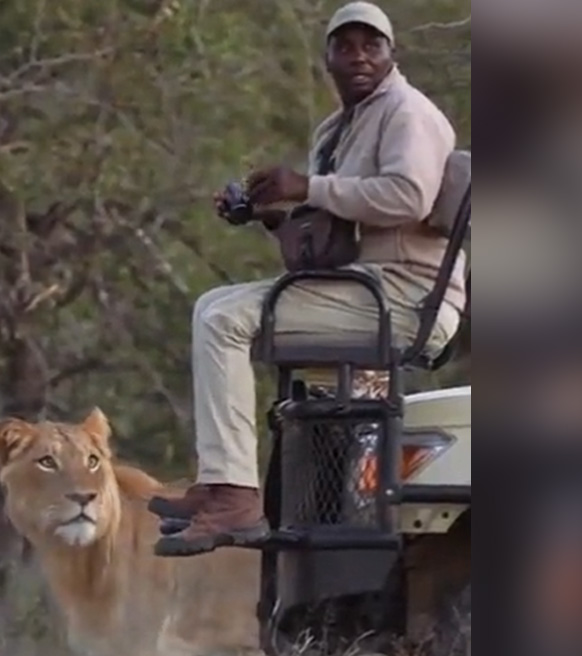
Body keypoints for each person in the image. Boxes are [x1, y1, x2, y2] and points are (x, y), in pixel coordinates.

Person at [151, 1, 466, 557]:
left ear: (392, 54)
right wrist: (266, 213)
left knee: (225, 318)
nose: (359, 56)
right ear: (327, 58)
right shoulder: (337, 128)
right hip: (359, 290)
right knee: (214, 308)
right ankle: (235, 489)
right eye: (345, 45)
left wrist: (308, 187)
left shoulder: (406, 113)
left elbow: (407, 194)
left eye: (372, 45)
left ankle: (235, 497)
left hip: (403, 296)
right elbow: (325, 240)